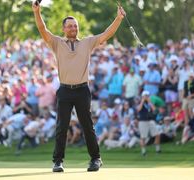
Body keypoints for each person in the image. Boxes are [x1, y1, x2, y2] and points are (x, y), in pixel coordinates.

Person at [32, 1, 126, 172]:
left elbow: (107, 34)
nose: (73, 28)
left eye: (75, 25)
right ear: (64, 29)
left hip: (82, 90)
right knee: (62, 127)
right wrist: (37, 12)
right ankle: (58, 161)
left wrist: (119, 18)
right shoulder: (57, 43)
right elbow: (42, 29)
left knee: (87, 126)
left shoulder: (87, 42)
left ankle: (96, 159)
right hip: (65, 90)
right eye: (70, 26)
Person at [136, 91, 161, 156]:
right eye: (145, 95)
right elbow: (138, 109)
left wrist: (149, 102)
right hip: (142, 121)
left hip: (150, 120)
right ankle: (143, 152)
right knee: (143, 137)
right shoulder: (139, 102)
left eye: (147, 95)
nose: (146, 97)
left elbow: (154, 110)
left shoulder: (150, 103)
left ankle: (158, 150)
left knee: (157, 135)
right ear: (142, 96)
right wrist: (142, 101)